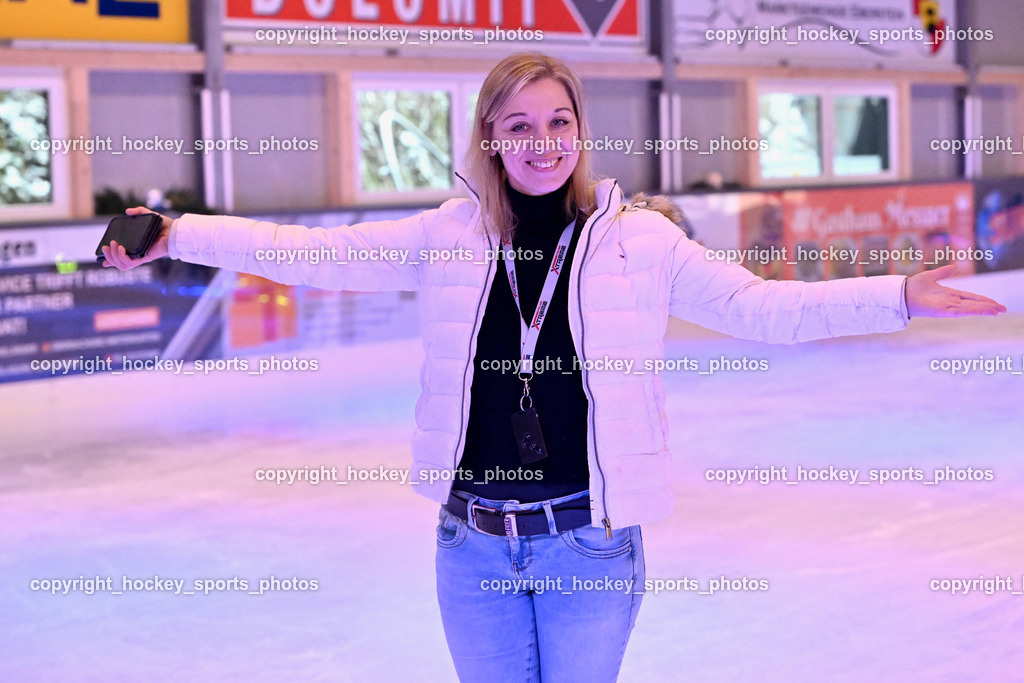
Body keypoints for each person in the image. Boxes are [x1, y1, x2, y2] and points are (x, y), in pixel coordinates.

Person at [101, 52, 1006, 682]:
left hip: (588, 543)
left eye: (560, 121)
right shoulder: (449, 234)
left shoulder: (639, 242)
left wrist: (897, 295)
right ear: (490, 137)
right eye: (520, 124)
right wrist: (179, 232)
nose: (543, 140)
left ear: (581, 130)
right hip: (472, 544)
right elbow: (310, 252)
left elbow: (761, 309)